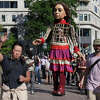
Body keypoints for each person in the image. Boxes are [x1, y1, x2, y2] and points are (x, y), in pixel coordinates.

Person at [32, 2, 85, 96]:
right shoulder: (51, 26)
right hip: (53, 50)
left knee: (61, 70)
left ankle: (61, 87)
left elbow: (74, 39)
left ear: (65, 13)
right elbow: (45, 36)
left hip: (63, 50)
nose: (56, 12)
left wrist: (77, 51)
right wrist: (40, 40)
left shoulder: (69, 26)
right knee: (54, 70)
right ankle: (55, 87)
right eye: (55, 10)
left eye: (59, 10)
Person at [0, 34, 30, 100]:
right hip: (7, 93)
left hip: (20, 93)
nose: (17, 53)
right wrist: (1, 42)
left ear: (21, 52)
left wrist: (24, 79)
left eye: (19, 51)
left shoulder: (24, 63)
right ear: (12, 50)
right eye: (16, 50)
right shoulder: (5, 59)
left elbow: (28, 78)